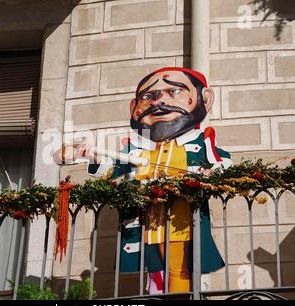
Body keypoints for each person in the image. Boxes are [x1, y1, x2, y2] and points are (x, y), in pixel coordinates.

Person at [54, 67, 232, 294]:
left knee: (180, 277)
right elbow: (112, 172)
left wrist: (206, 175)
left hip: (182, 225)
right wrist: (91, 156)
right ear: (134, 107)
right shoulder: (136, 149)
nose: (159, 101)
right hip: (149, 227)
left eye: (174, 91)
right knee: (155, 281)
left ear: (203, 98)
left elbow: (223, 163)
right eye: (148, 96)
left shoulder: (202, 143)